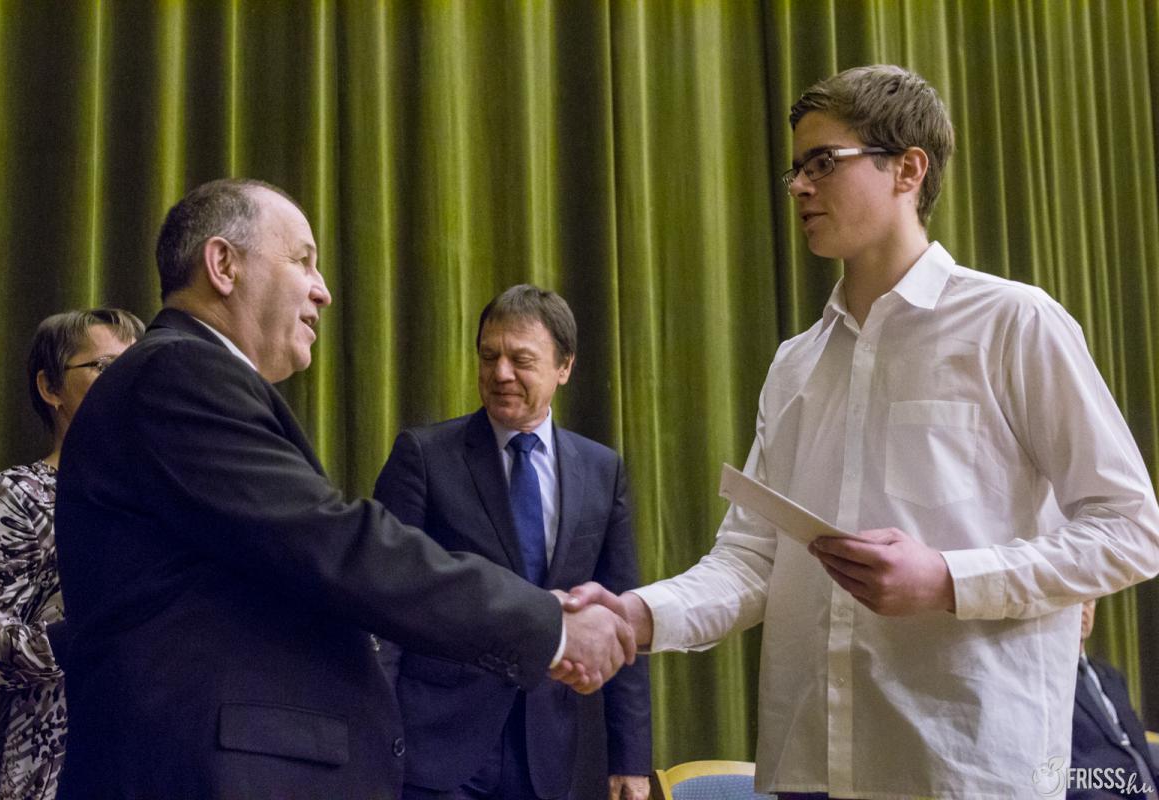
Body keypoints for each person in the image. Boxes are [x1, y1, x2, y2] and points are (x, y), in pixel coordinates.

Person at [561, 65, 1159, 797]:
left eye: (823, 162)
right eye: (796, 169)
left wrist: (947, 579)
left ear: (908, 169)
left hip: (965, 769)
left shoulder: (1013, 323)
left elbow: (1131, 530)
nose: (799, 187)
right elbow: (752, 561)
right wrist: (635, 616)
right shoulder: (796, 363)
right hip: (813, 765)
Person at [51, 179, 634, 800]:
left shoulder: (185, 375)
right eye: (302, 260)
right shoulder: (179, 372)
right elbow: (336, 544)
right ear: (223, 265)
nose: (323, 290)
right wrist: (546, 624)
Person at [373, 284, 651, 800]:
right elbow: (384, 602)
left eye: (521, 360)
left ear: (564, 367)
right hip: (439, 744)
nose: (500, 373)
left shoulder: (601, 469)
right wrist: (377, 738)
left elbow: (620, 614)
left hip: (552, 746)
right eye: (489, 356)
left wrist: (630, 757)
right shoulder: (425, 457)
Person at [0, 308, 143, 800]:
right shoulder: (19, 495)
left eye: (135, 367)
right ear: (50, 387)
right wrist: (74, 635)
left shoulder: (161, 500)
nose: (125, 382)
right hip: (49, 775)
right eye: (104, 367)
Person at [1069, 599, 1158, 799]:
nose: (1083, 611)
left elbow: (1139, 749)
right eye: (1076, 603)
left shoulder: (1111, 676)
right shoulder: (1052, 685)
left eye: (1089, 602)